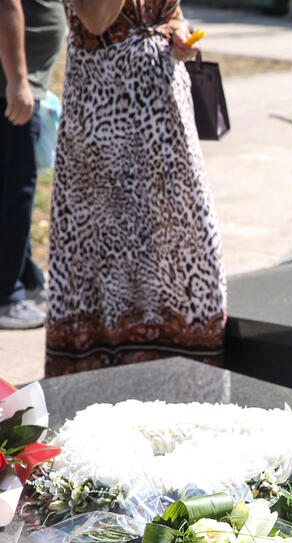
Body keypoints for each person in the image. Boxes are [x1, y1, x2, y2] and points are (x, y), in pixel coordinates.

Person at [44, 0, 227, 375]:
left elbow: (171, 14)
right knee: (110, 241)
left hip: (165, 110)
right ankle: (107, 360)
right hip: (105, 108)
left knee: (182, 235)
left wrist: (180, 35)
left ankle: (184, 359)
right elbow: (96, 21)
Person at [0, 0, 65, 329]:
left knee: (12, 185)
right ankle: (6, 296)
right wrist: (17, 81)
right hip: (11, 88)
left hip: (20, 84)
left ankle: (27, 278)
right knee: (16, 189)